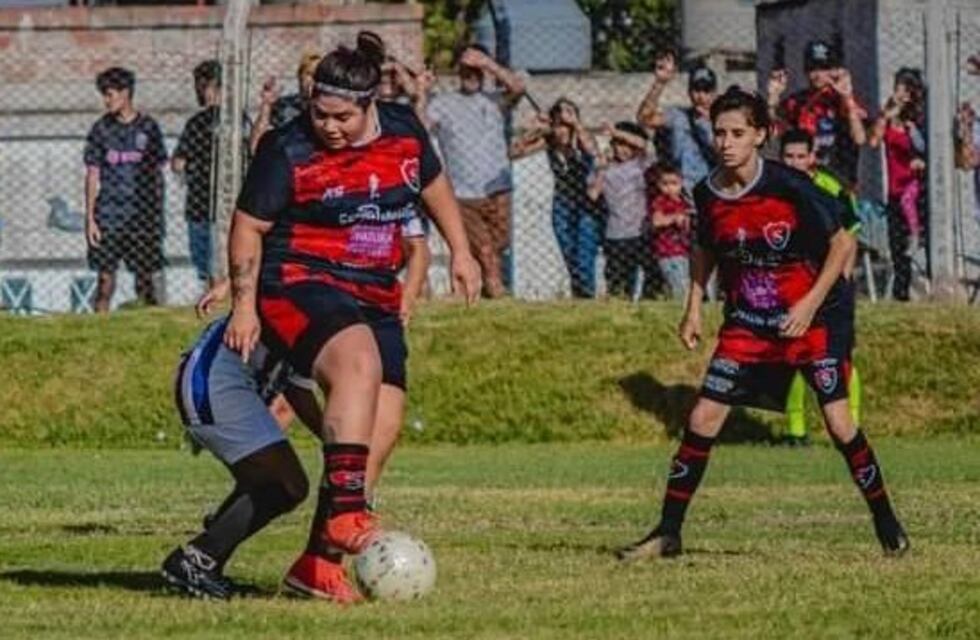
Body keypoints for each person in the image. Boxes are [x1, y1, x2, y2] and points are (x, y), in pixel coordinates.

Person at [224, 35, 481, 601]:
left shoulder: (405, 132)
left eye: (341, 116)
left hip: (374, 293)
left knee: (380, 431)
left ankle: (315, 564)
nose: (329, 126)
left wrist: (460, 251)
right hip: (297, 282)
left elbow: (434, 185)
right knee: (357, 360)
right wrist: (244, 304)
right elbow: (247, 227)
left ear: (370, 106)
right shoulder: (286, 149)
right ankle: (345, 516)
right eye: (320, 113)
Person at [616, 86, 908, 561]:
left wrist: (810, 304)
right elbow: (705, 248)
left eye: (737, 133)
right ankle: (668, 532)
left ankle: (885, 519)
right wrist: (692, 305)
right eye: (720, 133)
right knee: (701, 418)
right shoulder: (707, 192)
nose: (726, 142)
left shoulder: (789, 186)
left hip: (809, 319)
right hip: (748, 323)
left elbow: (842, 246)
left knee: (838, 423)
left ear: (760, 135)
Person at [161, 289, 324, 601]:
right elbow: (297, 392)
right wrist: (338, 442)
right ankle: (196, 559)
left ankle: (208, 556)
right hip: (216, 386)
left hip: (212, 380)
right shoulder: (308, 302)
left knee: (264, 481)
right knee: (285, 485)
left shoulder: (295, 287)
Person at [421, 43, 526, 298]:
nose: (471, 76)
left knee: (496, 248)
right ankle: (500, 298)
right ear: (458, 72)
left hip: (497, 189)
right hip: (463, 194)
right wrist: (420, 93)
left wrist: (488, 63)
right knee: (486, 250)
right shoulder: (444, 103)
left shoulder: (494, 100)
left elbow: (518, 88)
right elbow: (421, 125)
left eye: (476, 71)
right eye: (466, 70)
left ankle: (474, 296)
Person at [780, 128, 863, 445]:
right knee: (793, 357)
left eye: (801, 156)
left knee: (840, 357)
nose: (795, 162)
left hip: (830, 288)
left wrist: (842, 278)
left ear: (813, 157)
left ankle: (850, 427)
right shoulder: (773, 189)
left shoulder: (831, 188)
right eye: (789, 156)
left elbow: (850, 233)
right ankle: (795, 431)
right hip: (791, 287)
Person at [84, 67, 167, 312]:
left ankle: (153, 328)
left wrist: (156, 216)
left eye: (110, 94)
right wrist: (91, 219)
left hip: (141, 216)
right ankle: (98, 329)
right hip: (109, 215)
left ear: (125, 93)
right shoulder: (101, 129)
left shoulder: (148, 128)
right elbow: (92, 174)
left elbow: (158, 174)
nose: (106, 101)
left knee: (145, 282)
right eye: (104, 95)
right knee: (105, 282)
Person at [511, 99, 603, 298]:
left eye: (565, 125)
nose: (561, 131)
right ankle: (579, 294)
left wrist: (576, 124)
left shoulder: (581, 139)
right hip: (562, 202)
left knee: (584, 254)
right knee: (568, 253)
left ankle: (587, 296)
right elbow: (514, 152)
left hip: (585, 202)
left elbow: (593, 150)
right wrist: (533, 130)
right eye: (558, 125)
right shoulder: (549, 143)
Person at [767, 39, 868, 186]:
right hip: (805, 179)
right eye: (813, 68)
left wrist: (847, 97)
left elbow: (860, 139)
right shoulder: (796, 102)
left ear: (834, 70)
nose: (818, 74)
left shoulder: (843, 100)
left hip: (839, 178)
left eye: (824, 68)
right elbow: (772, 134)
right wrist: (772, 98)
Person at [868, 68, 927, 302]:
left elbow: (926, 150)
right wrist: (885, 115)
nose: (901, 94)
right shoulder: (889, 117)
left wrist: (920, 160)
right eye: (898, 88)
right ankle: (901, 295)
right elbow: (873, 142)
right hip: (894, 190)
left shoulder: (919, 120)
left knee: (916, 247)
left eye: (906, 89)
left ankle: (927, 290)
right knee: (896, 250)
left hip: (914, 190)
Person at [171, 60, 226, 287]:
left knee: (208, 268)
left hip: (201, 203)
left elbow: (178, 163)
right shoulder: (239, 120)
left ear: (209, 87)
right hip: (227, 202)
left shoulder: (197, 123)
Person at [591, 121, 658, 299]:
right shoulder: (606, 168)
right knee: (619, 282)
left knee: (653, 276)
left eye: (628, 145)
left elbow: (646, 146)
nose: (624, 150)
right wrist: (601, 168)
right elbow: (593, 194)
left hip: (641, 233)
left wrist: (616, 132)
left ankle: (648, 304)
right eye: (619, 144)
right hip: (615, 235)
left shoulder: (640, 164)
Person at [636, 50, 718, 193]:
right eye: (696, 90)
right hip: (681, 191)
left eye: (706, 90)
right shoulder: (678, 116)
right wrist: (660, 83)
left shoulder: (724, 120)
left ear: (714, 93)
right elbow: (644, 118)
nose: (701, 96)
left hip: (713, 190)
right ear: (689, 91)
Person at [248, 50, 323, 154]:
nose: (313, 81)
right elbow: (255, 147)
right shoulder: (284, 106)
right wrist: (266, 105)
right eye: (309, 74)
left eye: (318, 76)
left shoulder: (327, 109)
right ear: (300, 76)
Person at [648, 161, 693, 300]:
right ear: (659, 185)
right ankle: (678, 306)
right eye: (665, 184)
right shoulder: (660, 201)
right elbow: (656, 221)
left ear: (681, 183)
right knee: (679, 285)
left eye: (674, 184)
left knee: (684, 282)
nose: (670, 188)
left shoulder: (684, 201)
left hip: (683, 250)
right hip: (667, 251)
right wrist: (674, 218)